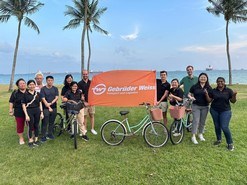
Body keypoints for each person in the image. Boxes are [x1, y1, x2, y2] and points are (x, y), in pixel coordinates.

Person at [206, 77, 237, 151]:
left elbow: (233, 101)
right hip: (214, 110)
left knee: (224, 126)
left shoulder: (228, 90)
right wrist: (206, 94)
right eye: (218, 81)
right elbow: (209, 101)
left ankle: (230, 143)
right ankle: (219, 139)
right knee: (217, 126)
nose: (220, 83)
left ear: (224, 82)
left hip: (225, 111)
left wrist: (234, 95)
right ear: (216, 82)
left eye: (221, 81)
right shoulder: (213, 91)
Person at [188, 73, 212, 144]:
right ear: (199, 78)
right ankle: (193, 136)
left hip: (205, 106)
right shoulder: (195, 86)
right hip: (196, 106)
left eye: (204, 77)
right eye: (201, 77)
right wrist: (190, 97)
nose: (203, 78)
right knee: (196, 120)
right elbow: (189, 94)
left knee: (202, 121)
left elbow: (210, 98)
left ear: (207, 79)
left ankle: (200, 134)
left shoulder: (209, 87)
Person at [22, 80, 44, 148]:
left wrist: (42, 112)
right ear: (28, 86)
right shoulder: (25, 94)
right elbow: (23, 105)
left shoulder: (38, 94)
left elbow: (40, 103)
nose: (32, 86)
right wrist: (26, 115)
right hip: (29, 111)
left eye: (33, 84)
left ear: (35, 85)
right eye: (30, 84)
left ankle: (36, 139)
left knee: (37, 125)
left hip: (37, 110)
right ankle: (30, 140)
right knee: (30, 126)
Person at [40, 76, 59, 142]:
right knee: (45, 122)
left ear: (53, 81)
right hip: (45, 108)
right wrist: (48, 107)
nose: (50, 81)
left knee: (51, 122)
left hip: (54, 107)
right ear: (46, 81)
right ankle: (43, 136)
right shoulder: (43, 89)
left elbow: (56, 97)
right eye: (48, 80)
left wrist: (50, 104)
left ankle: (50, 134)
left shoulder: (55, 88)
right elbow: (43, 99)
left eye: (51, 80)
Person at [78, 70, 97, 135]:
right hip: (84, 103)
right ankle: (85, 129)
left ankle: (92, 129)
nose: (85, 75)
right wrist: (83, 101)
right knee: (84, 116)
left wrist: (93, 101)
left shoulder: (91, 82)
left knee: (92, 115)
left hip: (91, 102)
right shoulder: (79, 83)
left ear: (88, 74)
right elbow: (79, 94)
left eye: (86, 74)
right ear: (82, 74)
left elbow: (94, 92)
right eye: (84, 74)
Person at [9, 78, 27, 145]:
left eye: (24, 83)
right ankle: (21, 138)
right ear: (18, 85)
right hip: (18, 111)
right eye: (20, 84)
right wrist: (10, 110)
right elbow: (11, 102)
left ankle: (31, 136)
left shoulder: (29, 91)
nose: (22, 85)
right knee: (20, 125)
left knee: (31, 125)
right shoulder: (15, 93)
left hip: (28, 111)